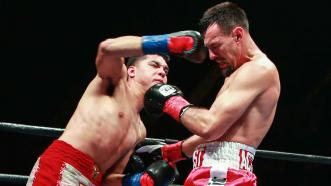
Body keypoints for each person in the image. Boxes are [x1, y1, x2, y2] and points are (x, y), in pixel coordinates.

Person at [26, 30, 206, 186]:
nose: (162, 72)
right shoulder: (114, 84)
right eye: (154, 65)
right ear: (131, 71)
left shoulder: (139, 130)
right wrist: (168, 43)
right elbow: (108, 48)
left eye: (166, 71)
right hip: (62, 166)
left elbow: (108, 180)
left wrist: (141, 182)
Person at [141, 1, 281, 185]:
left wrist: (171, 101)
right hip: (215, 172)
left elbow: (210, 126)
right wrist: (171, 152)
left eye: (215, 46)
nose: (212, 56)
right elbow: (218, 133)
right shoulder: (240, 73)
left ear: (238, 35)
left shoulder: (259, 69)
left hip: (224, 175)